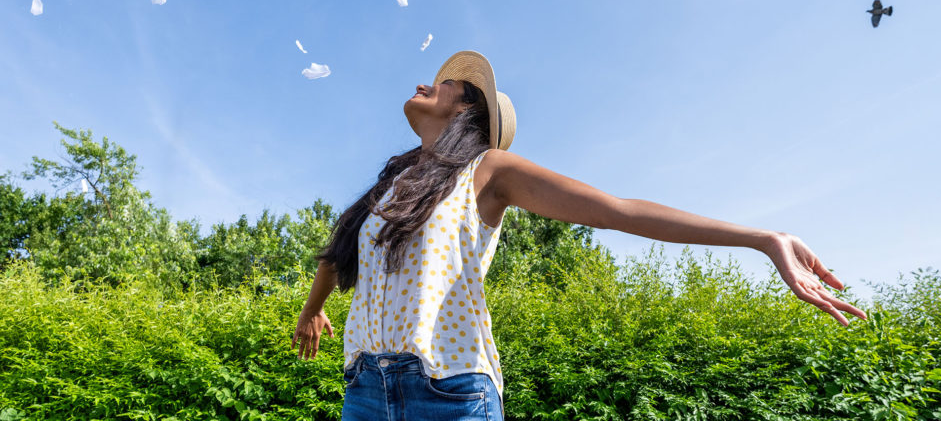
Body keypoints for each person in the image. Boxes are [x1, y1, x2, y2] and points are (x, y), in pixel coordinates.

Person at [292, 50, 867, 420]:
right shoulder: (391, 185)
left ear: (467, 110)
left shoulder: (488, 171)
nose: (425, 83)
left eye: (444, 84)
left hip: (446, 391)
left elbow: (619, 210)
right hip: (365, 390)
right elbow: (340, 254)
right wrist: (312, 310)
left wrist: (763, 238)